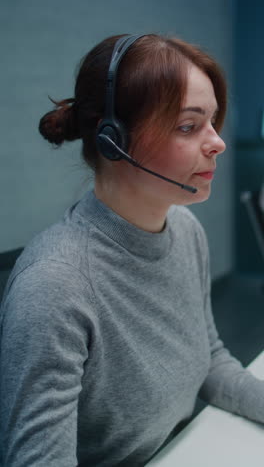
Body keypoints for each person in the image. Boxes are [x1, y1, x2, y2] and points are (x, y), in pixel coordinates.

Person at [0, 33, 264, 467]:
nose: (217, 143)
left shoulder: (184, 228)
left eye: (213, 122)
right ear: (113, 140)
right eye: (188, 125)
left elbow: (209, 358)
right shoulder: (55, 285)